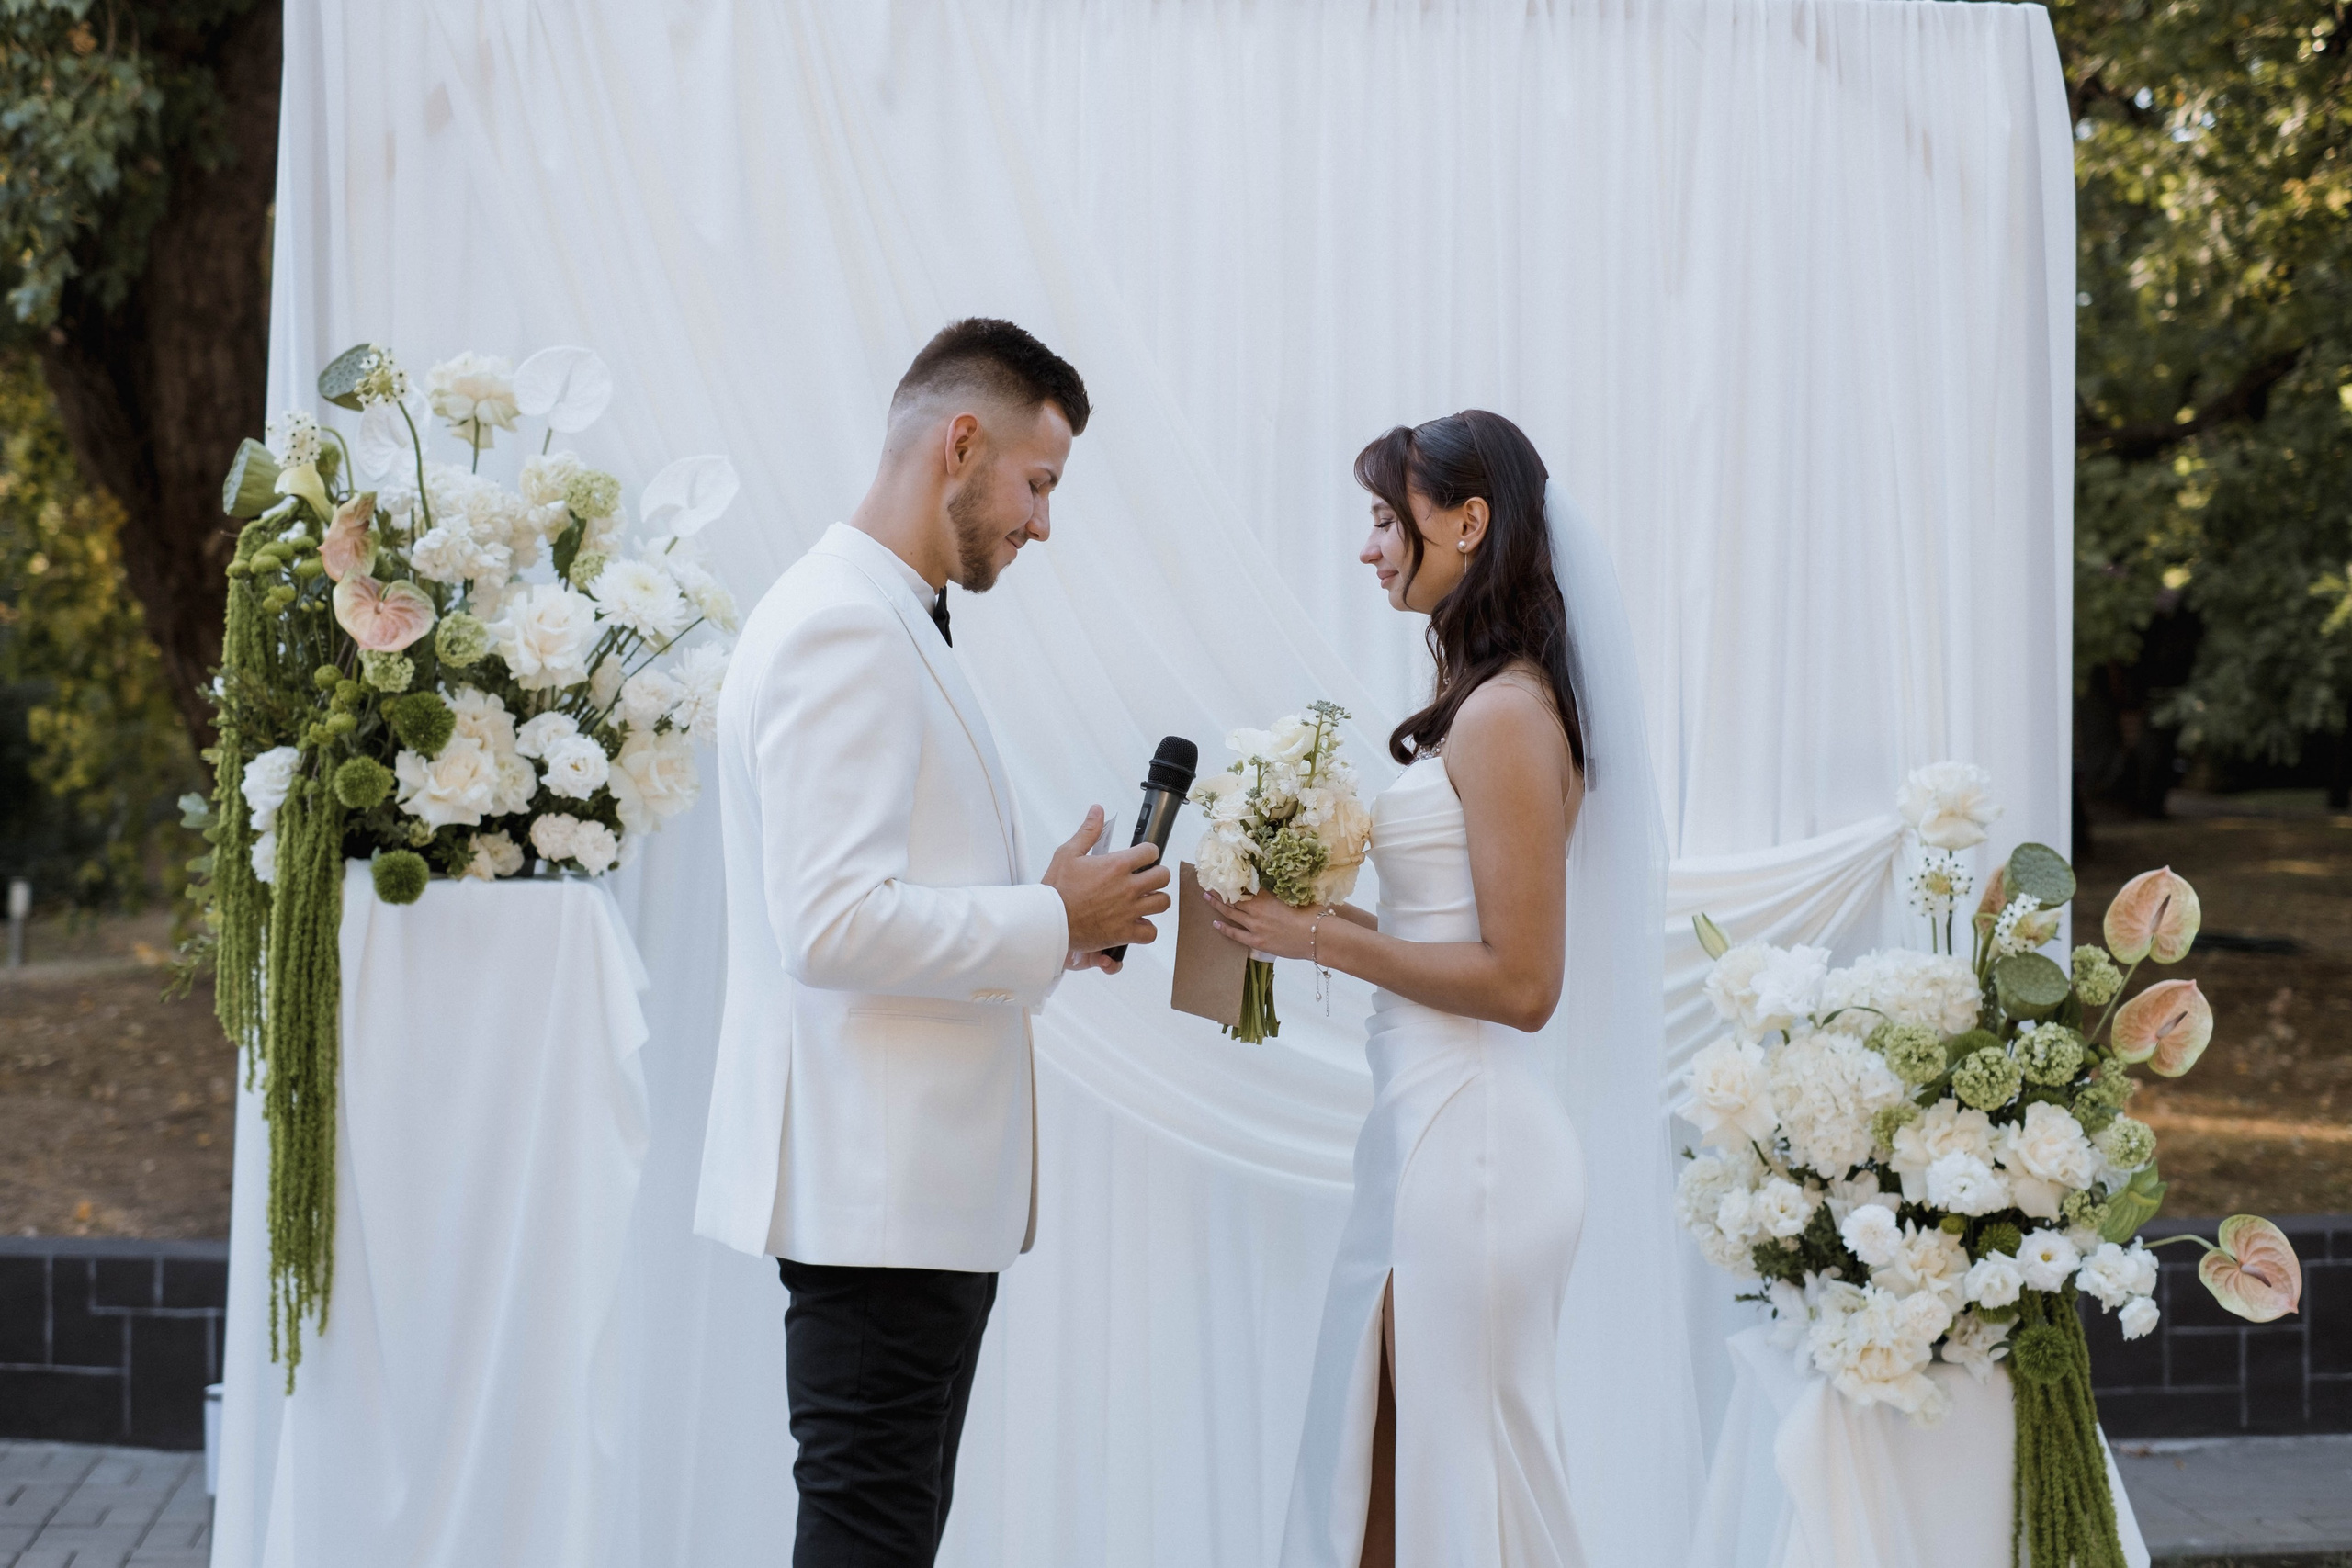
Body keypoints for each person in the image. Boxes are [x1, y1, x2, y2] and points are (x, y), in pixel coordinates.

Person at [695, 318, 1171, 1567]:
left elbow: (877, 900)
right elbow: (832, 921)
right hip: (878, 1201)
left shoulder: (874, 612)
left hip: (901, 1202)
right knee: (869, 1535)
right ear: (961, 443)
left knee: (883, 1533)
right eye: (1039, 482)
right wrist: (1050, 916)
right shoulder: (844, 625)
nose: (1045, 522)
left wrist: (1055, 928)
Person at [1204, 410, 1683, 1568]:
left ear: (1468, 523)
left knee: (1443, 1487)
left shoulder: (1509, 713)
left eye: (1384, 518)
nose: (1367, 548)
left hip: (1474, 1148)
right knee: (1380, 1469)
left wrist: (1318, 937)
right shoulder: (1484, 700)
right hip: (1422, 1124)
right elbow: (1454, 938)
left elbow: (1522, 983)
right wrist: (1309, 923)